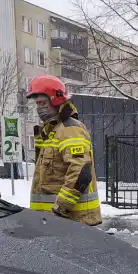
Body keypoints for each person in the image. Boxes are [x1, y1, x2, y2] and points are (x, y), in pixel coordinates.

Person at [26, 75, 101, 226]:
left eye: (43, 103)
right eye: (37, 104)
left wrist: (61, 207)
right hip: (52, 221)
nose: (39, 108)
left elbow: (81, 170)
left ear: (56, 100)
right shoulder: (51, 132)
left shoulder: (70, 129)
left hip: (71, 220)